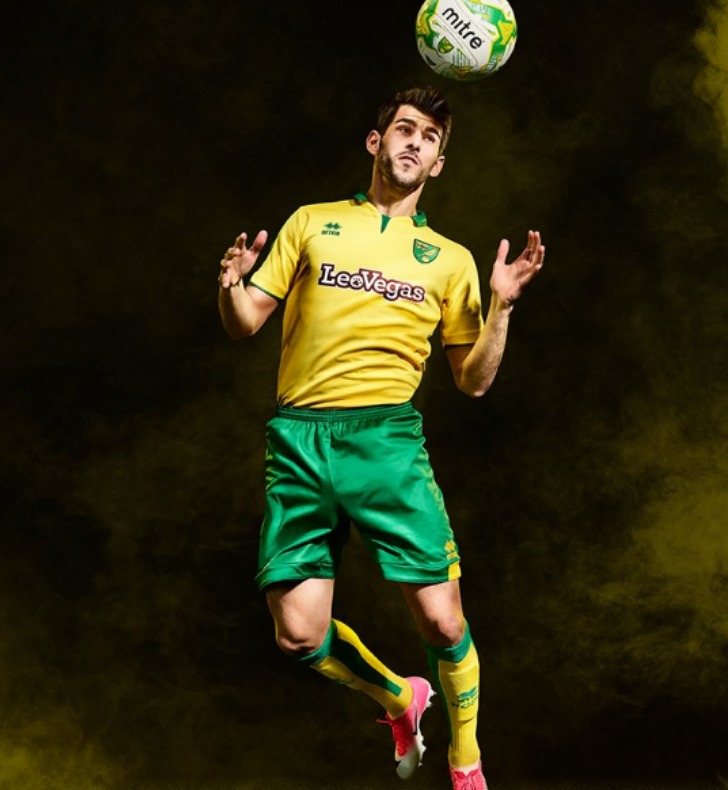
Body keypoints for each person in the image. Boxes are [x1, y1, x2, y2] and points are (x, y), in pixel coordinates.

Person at [216, 86, 545, 790]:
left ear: (438, 163)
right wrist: (230, 285)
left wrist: (502, 307)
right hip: (300, 440)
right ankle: (399, 698)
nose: (414, 142)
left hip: (385, 442)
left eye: (429, 138)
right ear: (376, 142)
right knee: (297, 636)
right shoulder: (313, 223)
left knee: (442, 624)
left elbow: (473, 381)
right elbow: (244, 322)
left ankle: (465, 758)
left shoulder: (449, 259)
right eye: (404, 129)